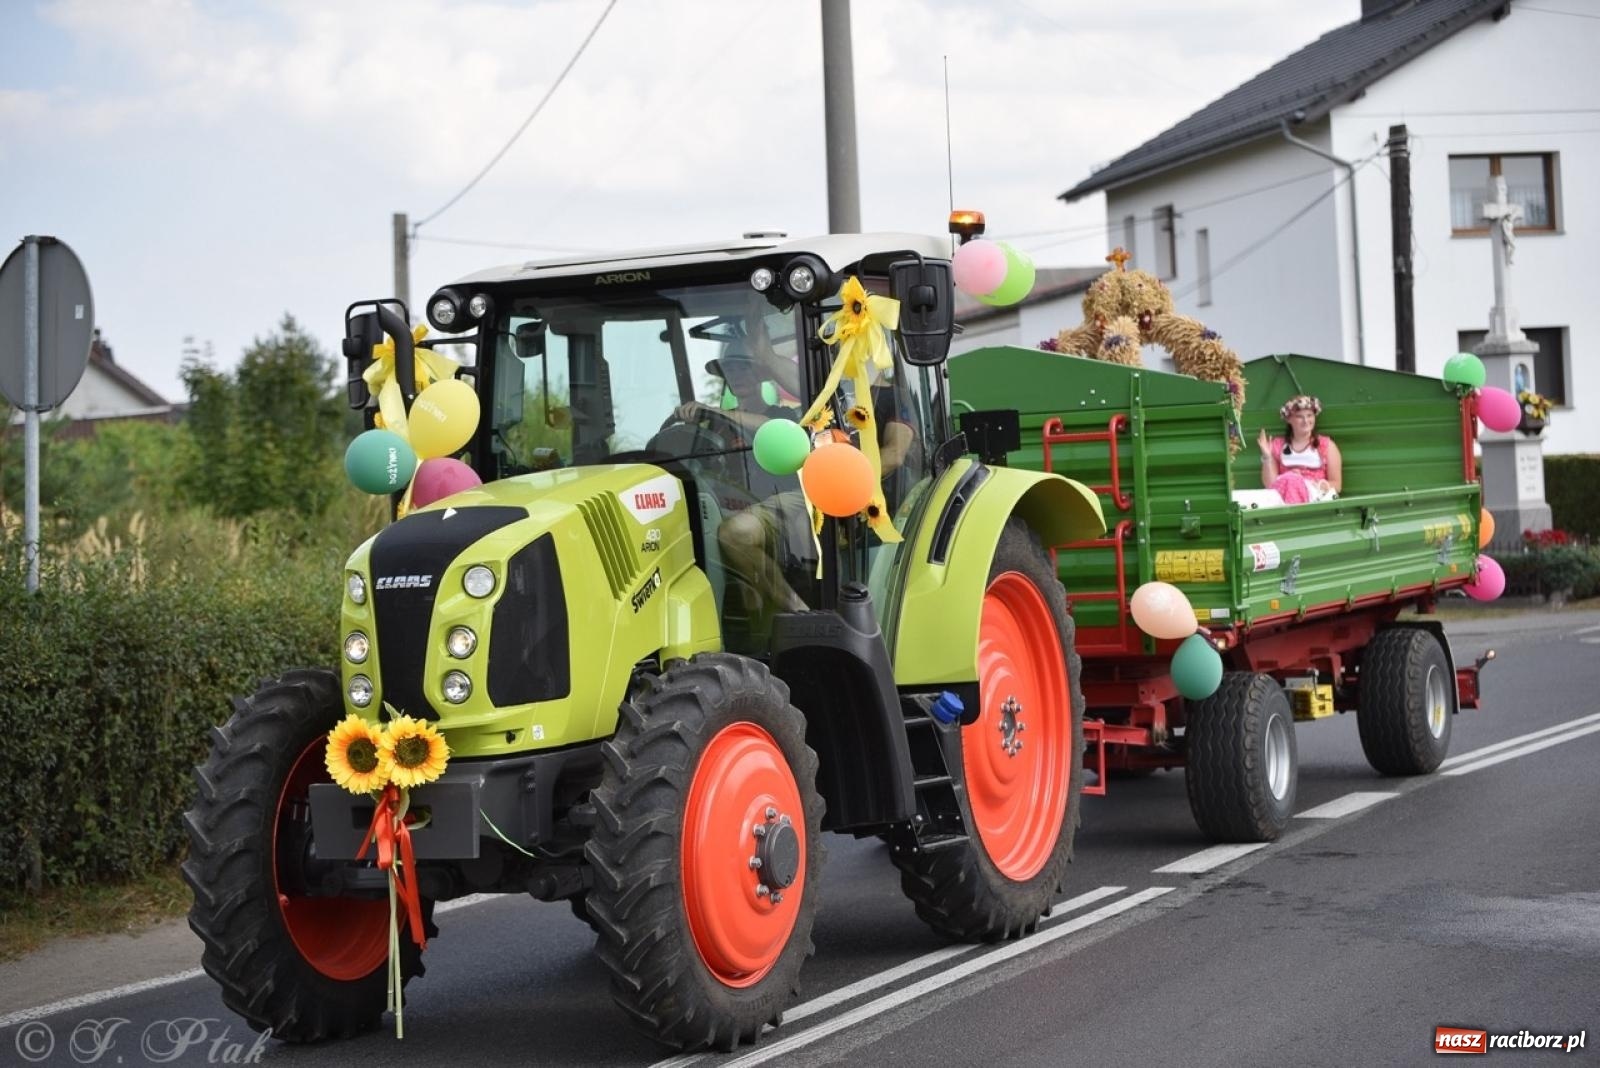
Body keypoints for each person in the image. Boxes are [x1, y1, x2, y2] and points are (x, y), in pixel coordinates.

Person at [1258, 394, 1342, 504]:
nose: (1306, 420)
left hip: (1314, 496)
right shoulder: (1278, 445)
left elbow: (1337, 485)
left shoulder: (1326, 445)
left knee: (1293, 480)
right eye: (1299, 416)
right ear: (1289, 419)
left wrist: (1319, 484)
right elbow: (1270, 484)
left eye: (1309, 415)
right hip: (1284, 496)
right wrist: (1267, 457)